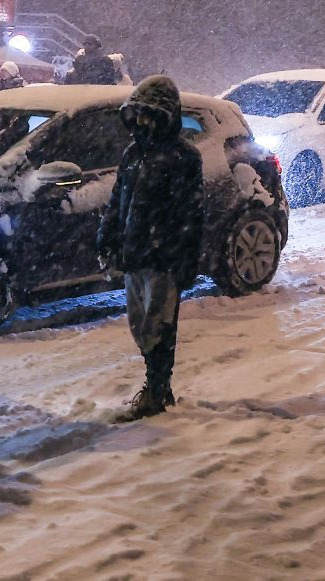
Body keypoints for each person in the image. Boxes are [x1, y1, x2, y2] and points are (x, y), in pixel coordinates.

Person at [98, 75, 204, 421]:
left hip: (164, 257)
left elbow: (191, 212)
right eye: (138, 114)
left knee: (159, 325)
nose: (142, 122)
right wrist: (107, 237)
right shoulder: (133, 154)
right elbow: (118, 200)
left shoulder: (183, 157)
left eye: (149, 114)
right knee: (140, 325)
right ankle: (158, 386)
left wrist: (185, 258)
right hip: (135, 253)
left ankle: (156, 390)